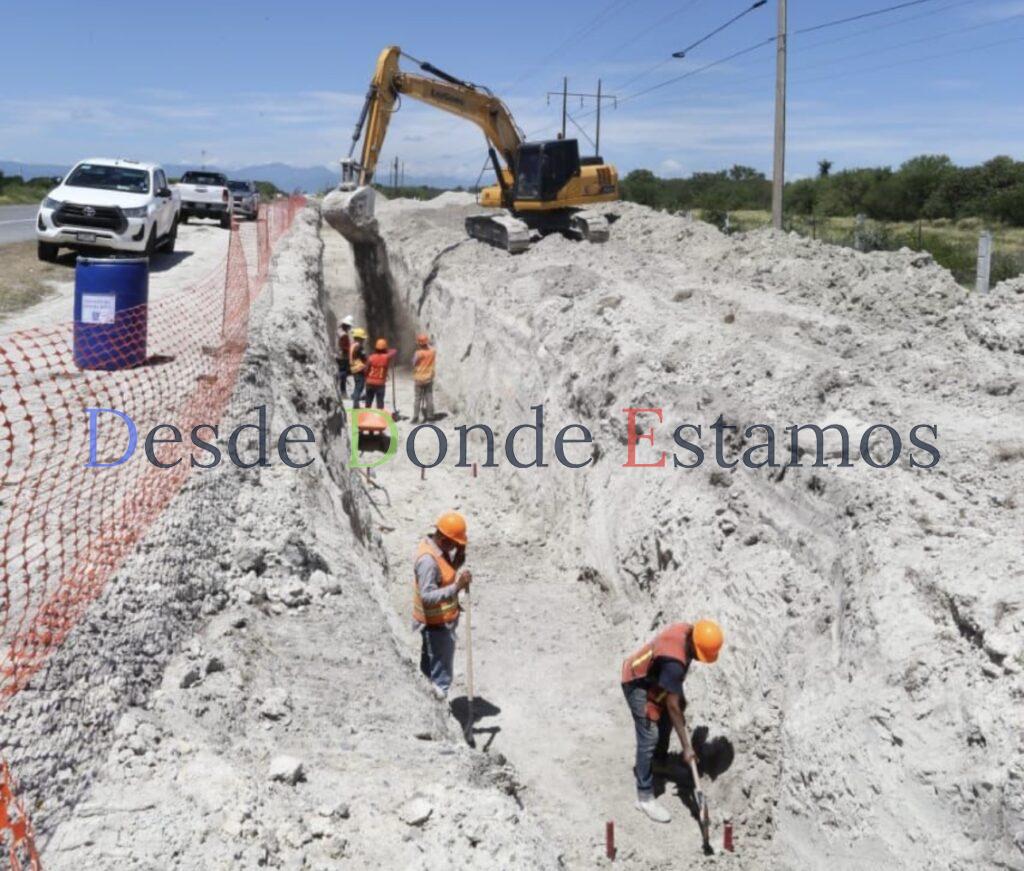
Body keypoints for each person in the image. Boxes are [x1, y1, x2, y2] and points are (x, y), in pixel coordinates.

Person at [620, 619, 724, 823]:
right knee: (649, 734)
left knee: (667, 719)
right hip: (636, 681)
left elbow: (673, 701)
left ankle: (658, 764)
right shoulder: (674, 662)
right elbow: (673, 705)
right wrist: (687, 747)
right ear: (696, 645)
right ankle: (644, 797)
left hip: (654, 679)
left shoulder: (688, 633)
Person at [413, 512, 472, 699]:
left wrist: (455, 562)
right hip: (436, 627)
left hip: (438, 624)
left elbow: (441, 578)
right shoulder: (428, 561)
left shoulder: (438, 549)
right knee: (440, 680)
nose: (456, 547)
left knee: (428, 674)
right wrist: (457, 587)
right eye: (455, 544)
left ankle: (427, 706)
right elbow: (427, 596)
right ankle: (441, 718)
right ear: (445, 539)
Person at [363, 338, 398, 410]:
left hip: (369, 382)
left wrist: (366, 378)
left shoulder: (371, 357)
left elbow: (366, 370)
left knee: (368, 402)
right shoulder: (386, 357)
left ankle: (366, 416)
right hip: (380, 384)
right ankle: (379, 417)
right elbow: (394, 351)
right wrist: (386, 350)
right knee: (380, 402)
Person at [411, 333, 436, 423]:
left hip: (419, 378)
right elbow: (432, 347)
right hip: (429, 378)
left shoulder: (418, 353)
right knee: (429, 397)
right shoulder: (433, 352)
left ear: (419, 343)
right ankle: (430, 417)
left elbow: (413, 363)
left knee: (418, 398)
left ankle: (415, 417)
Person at [349, 327, 368, 408]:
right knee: (359, 387)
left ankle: (355, 402)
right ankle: (356, 405)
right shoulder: (359, 347)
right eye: (362, 339)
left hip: (354, 369)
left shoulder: (352, 345)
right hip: (359, 369)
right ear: (359, 338)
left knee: (357, 386)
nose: (363, 341)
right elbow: (364, 357)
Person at [336, 315, 354, 397]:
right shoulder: (344, 335)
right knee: (344, 373)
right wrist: (351, 349)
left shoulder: (339, 332)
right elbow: (344, 347)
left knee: (344, 372)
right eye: (349, 326)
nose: (349, 328)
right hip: (343, 357)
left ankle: (341, 389)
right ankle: (343, 392)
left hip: (339, 355)